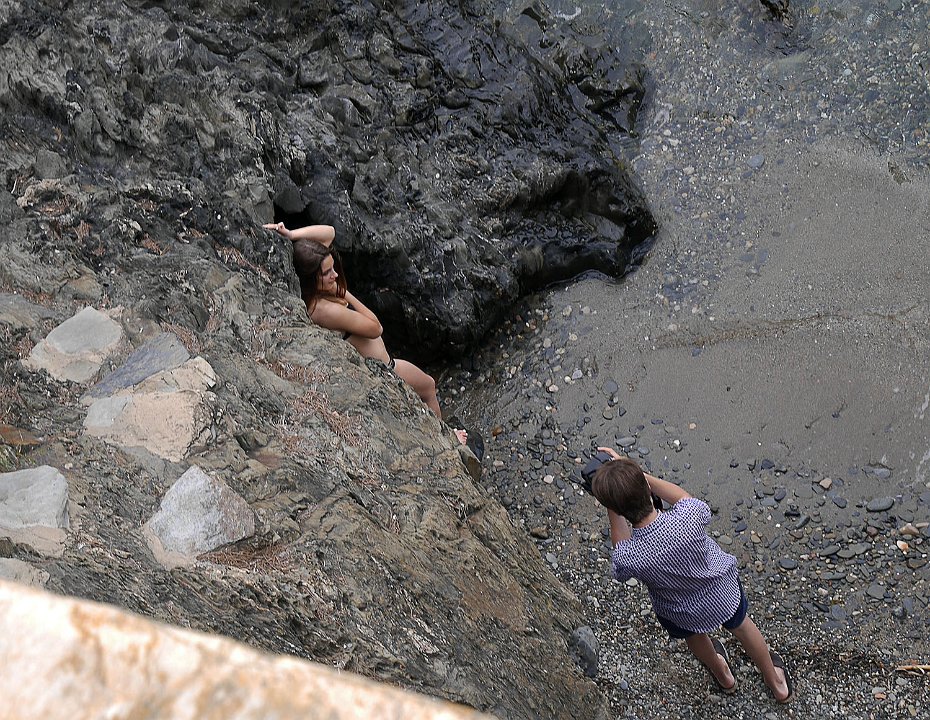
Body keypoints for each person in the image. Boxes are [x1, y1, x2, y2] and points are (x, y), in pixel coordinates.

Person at [590, 446, 793, 703]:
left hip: (680, 611)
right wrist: (641, 476)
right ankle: (776, 683)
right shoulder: (687, 517)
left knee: (694, 637)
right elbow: (683, 497)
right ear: (646, 488)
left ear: (616, 509)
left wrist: (613, 508)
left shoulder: (630, 556)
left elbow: (619, 556)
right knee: (742, 626)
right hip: (722, 593)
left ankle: (724, 676)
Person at [264, 222, 466, 444]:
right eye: (327, 273)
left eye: (333, 268)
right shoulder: (323, 309)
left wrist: (291, 234)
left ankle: (444, 437)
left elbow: (329, 232)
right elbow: (375, 328)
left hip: (387, 364)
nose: (335, 275)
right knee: (427, 388)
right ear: (311, 277)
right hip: (386, 372)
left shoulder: (319, 289)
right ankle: (449, 441)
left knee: (427, 386)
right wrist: (344, 293)